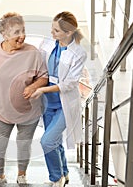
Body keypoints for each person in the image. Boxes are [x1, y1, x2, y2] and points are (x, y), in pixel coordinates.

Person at [0, 12, 48, 184]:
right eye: (17, 32)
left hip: (28, 111)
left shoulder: (33, 53)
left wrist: (33, 86)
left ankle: (21, 175)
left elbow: (43, 77)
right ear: (5, 34)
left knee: (23, 145)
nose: (22, 36)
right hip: (1, 110)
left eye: (23, 31)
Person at [31, 11, 87, 187]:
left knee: (47, 141)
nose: (52, 33)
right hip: (48, 103)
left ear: (68, 32)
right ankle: (64, 172)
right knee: (54, 141)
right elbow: (38, 66)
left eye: (56, 31)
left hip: (64, 103)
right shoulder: (47, 43)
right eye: (52, 29)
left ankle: (56, 178)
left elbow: (70, 83)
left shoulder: (78, 53)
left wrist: (42, 89)